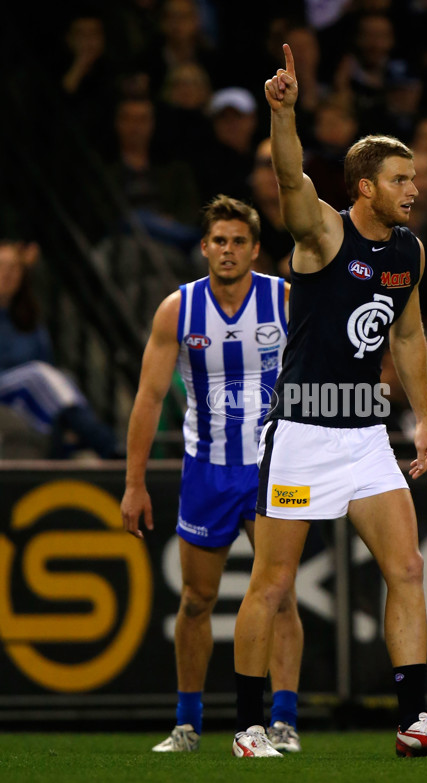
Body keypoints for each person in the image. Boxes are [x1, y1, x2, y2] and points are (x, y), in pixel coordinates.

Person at [231, 44, 427, 759]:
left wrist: (423, 420)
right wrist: (283, 114)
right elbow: (289, 176)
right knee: (272, 584)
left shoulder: (408, 252)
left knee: (408, 567)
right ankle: (247, 726)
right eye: (400, 178)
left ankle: (414, 720)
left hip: (365, 435)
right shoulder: (323, 231)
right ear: (363, 185)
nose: (412, 189)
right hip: (302, 430)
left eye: (414, 178)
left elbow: (411, 336)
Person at [120, 195, 303, 754]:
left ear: (255, 249)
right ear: (204, 248)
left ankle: (283, 721)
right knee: (197, 599)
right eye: (218, 241)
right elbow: (149, 399)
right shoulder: (178, 310)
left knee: (283, 596)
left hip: (276, 467)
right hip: (208, 471)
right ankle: (187, 723)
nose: (227, 251)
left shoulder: (286, 300)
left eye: (238, 241)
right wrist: (134, 484)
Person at [0, 240, 121, 459]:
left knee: (60, 377)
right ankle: (103, 440)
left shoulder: (30, 320)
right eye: (2, 266)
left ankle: (69, 445)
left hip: (31, 393)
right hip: (12, 386)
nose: (7, 274)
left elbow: (47, 362)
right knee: (37, 375)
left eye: (14, 268)